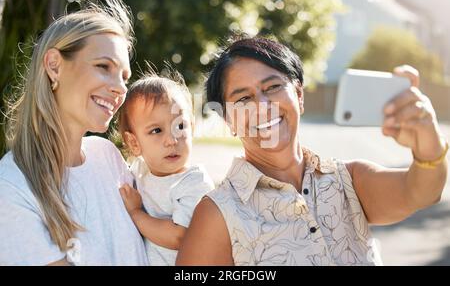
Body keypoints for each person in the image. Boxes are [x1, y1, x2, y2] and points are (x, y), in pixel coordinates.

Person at [176, 36, 448, 266]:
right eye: (244, 98)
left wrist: (428, 145)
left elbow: (422, 191)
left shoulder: (349, 180)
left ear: (300, 96)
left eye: (272, 87)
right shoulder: (217, 214)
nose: (262, 105)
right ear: (228, 121)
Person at [0, 0, 148, 265]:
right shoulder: (10, 188)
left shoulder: (109, 157)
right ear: (54, 66)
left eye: (124, 77)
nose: (120, 88)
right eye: (104, 66)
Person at [117, 71, 214, 266]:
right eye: (156, 130)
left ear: (192, 128)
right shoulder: (139, 171)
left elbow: (179, 236)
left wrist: (136, 213)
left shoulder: (194, 182)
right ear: (134, 142)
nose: (171, 140)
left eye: (180, 126)